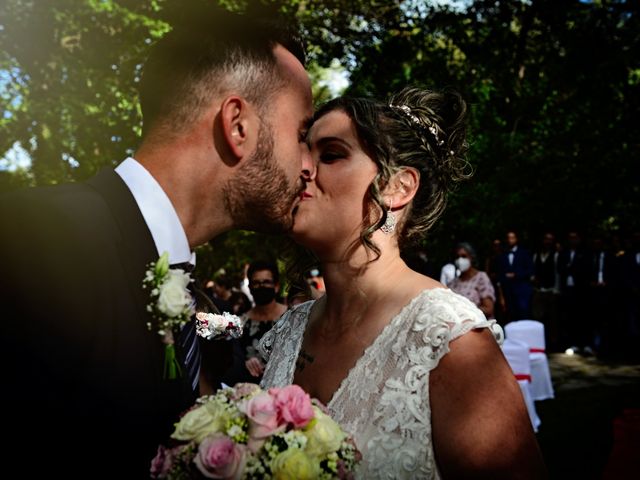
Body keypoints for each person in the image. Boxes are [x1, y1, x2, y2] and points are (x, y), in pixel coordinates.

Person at [0, 8, 313, 477]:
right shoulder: (36, 240)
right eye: (302, 134)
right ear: (238, 126)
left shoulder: (179, 282)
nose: (308, 165)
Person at [259, 88, 545, 478]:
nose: (303, 169)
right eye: (304, 153)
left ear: (398, 187)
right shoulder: (291, 329)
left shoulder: (448, 339)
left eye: (331, 154)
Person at [223, 260, 288, 385]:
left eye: (266, 282)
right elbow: (232, 359)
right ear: (250, 288)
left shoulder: (293, 318)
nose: (261, 286)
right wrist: (243, 364)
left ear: (276, 286)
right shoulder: (240, 323)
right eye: (256, 283)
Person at [449, 242, 496, 319]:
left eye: (464, 256)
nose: (460, 260)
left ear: (471, 257)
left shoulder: (481, 278)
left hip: (478, 326)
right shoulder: (453, 283)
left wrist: (465, 312)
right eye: (457, 257)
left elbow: (489, 309)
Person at [498, 230, 535, 322]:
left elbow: (530, 271)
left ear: (516, 239)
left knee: (523, 314)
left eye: (512, 238)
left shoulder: (524, 253)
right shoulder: (502, 255)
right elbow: (500, 273)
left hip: (522, 290)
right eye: (508, 238)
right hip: (508, 290)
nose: (510, 240)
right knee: (510, 315)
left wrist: (516, 275)